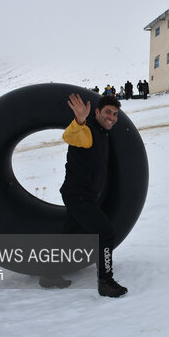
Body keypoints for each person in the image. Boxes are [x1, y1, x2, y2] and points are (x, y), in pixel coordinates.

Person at [57, 93, 128, 298]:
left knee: (69, 235)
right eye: (108, 112)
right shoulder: (87, 131)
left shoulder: (102, 134)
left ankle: (49, 275)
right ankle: (105, 281)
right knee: (105, 233)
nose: (112, 117)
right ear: (97, 112)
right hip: (79, 196)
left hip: (81, 194)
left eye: (115, 114)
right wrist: (79, 119)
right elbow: (70, 136)